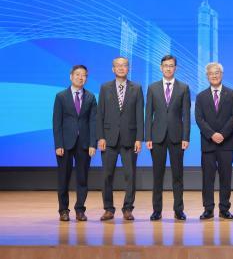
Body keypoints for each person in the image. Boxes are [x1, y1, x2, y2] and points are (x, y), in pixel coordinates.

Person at [96, 57, 144, 221]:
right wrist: (100, 136)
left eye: (124, 65)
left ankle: (128, 208)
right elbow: (100, 114)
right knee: (107, 176)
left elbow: (140, 115)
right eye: (118, 65)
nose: (121, 68)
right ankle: (108, 209)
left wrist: (139, 139)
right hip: (109, 139)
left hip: (129, 139)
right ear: (113, 69)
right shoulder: (105, 87)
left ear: (128, 68)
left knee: (130, 176)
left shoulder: (137, 88)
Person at [145, 54, 191, 221]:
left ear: (175, 68)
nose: (168, 68)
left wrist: (186, 137)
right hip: (157, 137)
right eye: (165, 65)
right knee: (158, 175)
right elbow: (148, 114)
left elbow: (186, 115)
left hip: (177, 137)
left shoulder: (184, 88)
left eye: (171, 66)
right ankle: (157, 210)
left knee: (178, 176)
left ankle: (178, 210)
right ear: (161, 68)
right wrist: (147, 137)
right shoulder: (152, 88)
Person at [194, 62, 233, 220]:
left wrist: (223, 134)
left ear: (222, 74)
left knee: (226, 177)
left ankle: (224, 208)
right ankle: (208, 209)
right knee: (208, 178)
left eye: (217, 72)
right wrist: (212, 134)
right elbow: (199, 119)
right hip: (208, 143)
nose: (214, 75)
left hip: (227, 143)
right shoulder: (201, 96)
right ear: (207, 76)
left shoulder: (232, 94)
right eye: (211, 73)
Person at [52, 64, 97, 221]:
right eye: (77, 74)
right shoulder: (61, 96)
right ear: (71, 76)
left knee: (82, 178)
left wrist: (93, 144)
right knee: (63, 178)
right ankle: (63, 210)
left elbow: (93, 122)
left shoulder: (91, 97)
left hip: (84, 143)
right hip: (65, 143)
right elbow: (56, 122)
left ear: (86, 78)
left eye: (83, 75)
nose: (80, 77)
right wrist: (58, 144)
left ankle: (80, 210)